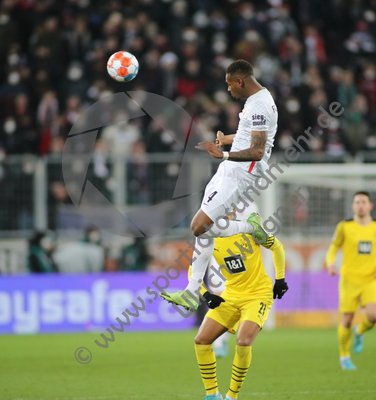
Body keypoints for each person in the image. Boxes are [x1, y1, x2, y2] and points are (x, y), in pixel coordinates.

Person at [160, 59, 285, 311]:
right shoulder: (257, 99)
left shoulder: (260, 105)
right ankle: (191, 292)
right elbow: (248, 136)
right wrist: (226, 140)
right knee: (204, 233)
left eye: (230, 85)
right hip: (229, 170)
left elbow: (258, 151)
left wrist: (226, 155)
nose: (229, 90)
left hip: (239, 175)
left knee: (198, 227)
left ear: (240, 81)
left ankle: (251, 228)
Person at [162, 210, 288, 400]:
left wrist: (280, 279)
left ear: (233, 213)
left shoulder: (249, 230)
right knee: (201, 340)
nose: (222, 214)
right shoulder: (208, 237)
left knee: (243, 341)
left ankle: (231, 396)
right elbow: (192, 270)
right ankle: (212, 395)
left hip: (257, 296)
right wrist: (206, 295)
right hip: (230, 296)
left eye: (226, 210)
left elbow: (277, 246)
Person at [326, 191, 376, 370]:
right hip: (348, 279)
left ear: (370, 206)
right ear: (353, 206)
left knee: (373, 315)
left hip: (370, 280)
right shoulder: (344, 226)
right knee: (347, 319)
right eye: (357, 202)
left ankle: (360, 330)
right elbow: (333, 247)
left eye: (363, 202)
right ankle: (344, 357)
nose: (360, 205)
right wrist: (330, 263)